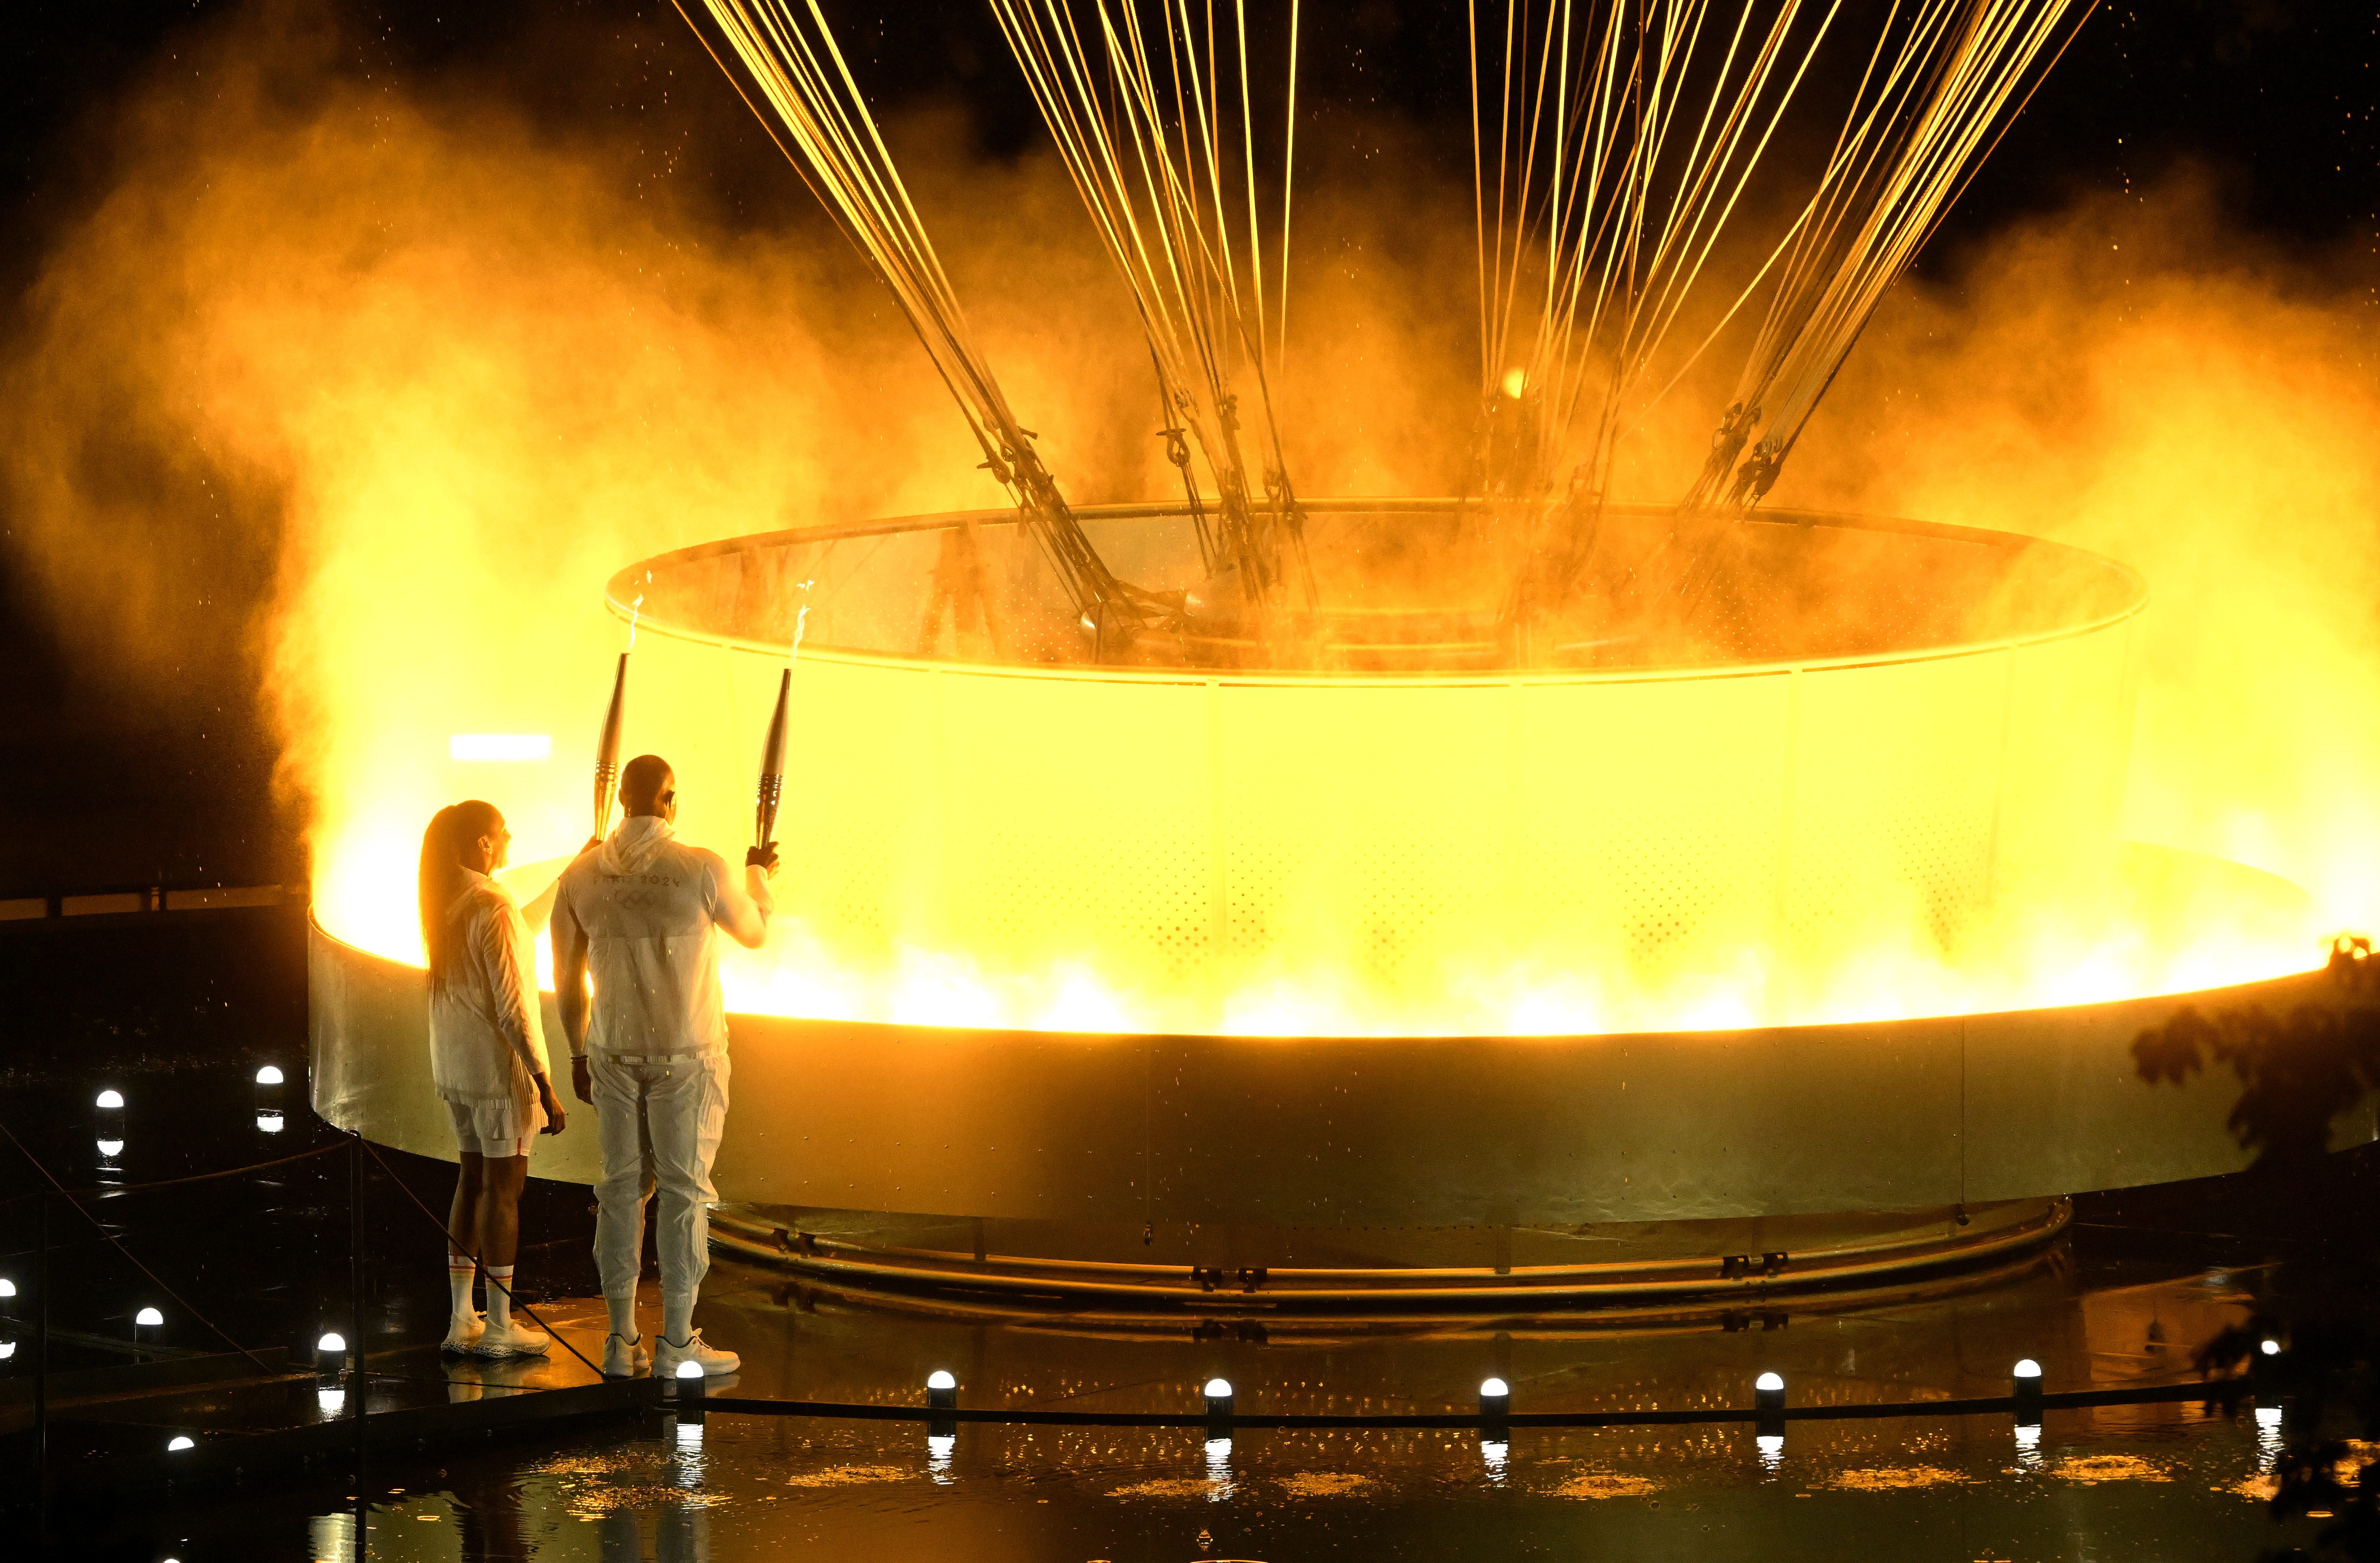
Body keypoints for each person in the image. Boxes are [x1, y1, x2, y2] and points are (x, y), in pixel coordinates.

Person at [553, 753, 777, 1379]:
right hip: (689, 1057)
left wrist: (576, 1050)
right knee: (684, 1196)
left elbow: (564, 976)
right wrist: (759, 877)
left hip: (611, 1054)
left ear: (622, 800)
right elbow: (755, 934)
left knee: (621, 1192)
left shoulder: (581, 875)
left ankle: (619, 1341)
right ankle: (677, 1341)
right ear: (670, 799)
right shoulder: (702, 868)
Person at [419, 800, 567, 1358]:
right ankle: (502, 1326)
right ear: (483, 843)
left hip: (456, 1070)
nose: (509, 839)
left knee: (472, 1181)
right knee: (506, 1191)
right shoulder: (491, 905)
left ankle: (463, 1319)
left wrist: (567, 874)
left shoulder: (448, 900)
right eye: (502, 832)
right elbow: (513, 1009)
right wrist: (544, 1081)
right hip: (498, 1071)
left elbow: (519, 929)